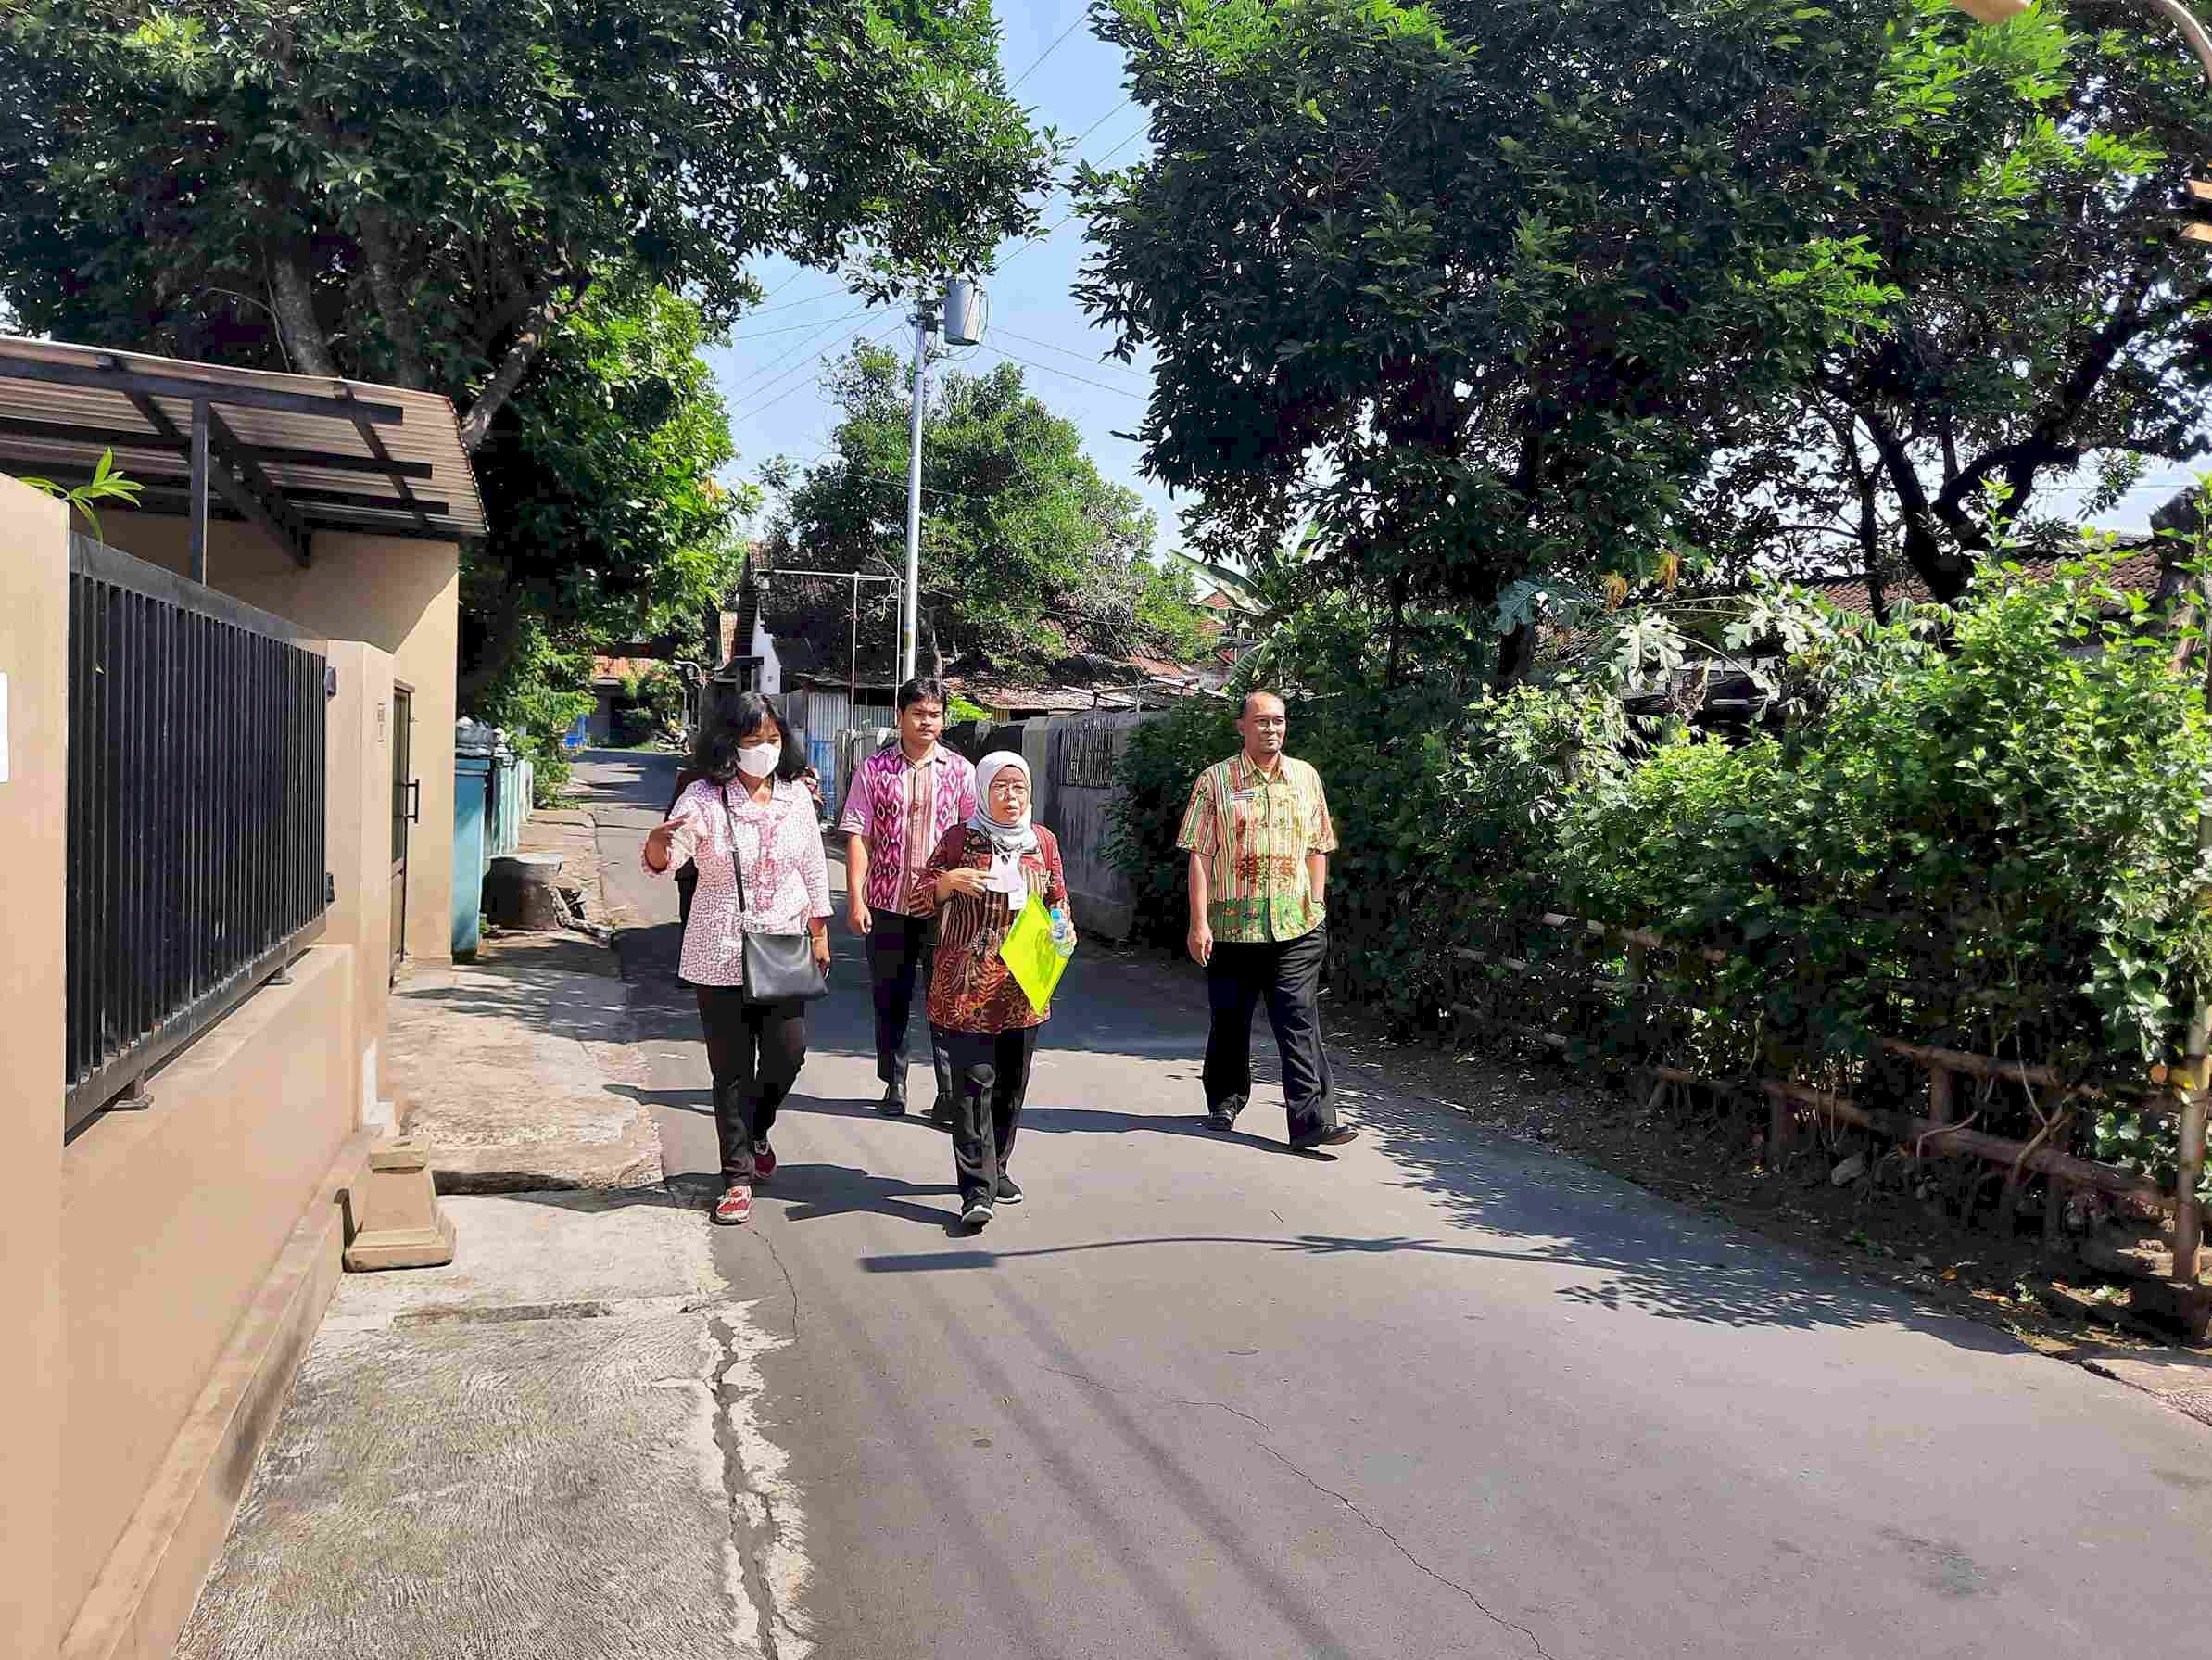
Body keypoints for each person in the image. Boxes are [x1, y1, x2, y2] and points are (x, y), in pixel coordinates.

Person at [642, 692, 831, 1225]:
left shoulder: (796, 797)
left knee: (787, 1054)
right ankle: (737, 1177)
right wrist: (659, 845)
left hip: (784, 943)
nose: (764, 751)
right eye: (752, 742)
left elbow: (814, 866)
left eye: (772, 741)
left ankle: (758, 1127)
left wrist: (821, 930)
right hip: (718, 944)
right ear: (729, 744)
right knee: (728, 1069)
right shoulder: (702, 797)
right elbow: (669, 856)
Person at [1178, 690, 1358, 1155]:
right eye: (1260, 721)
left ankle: (1313, 1122)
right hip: (1232, 927)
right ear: (1241, 726)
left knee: (1298, 1018)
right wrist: (1199, 923)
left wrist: (1315, 905)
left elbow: (1318, 845)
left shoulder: (1305, 777)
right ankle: (1225, 1098)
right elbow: (1199, 855)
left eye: (1278, 721)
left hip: (1296, 927)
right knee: (1231, 1019)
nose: (1270, 729)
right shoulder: (1214, 781)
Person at [915, 752, 1069, 1228]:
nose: (1010, 797)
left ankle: (997, 1166)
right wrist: (946, 883)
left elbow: (1057, 898)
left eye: (1018, 787)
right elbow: (919, 898)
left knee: (1009, 1087)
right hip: (966, 986)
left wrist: (1064, 927)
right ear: (983, 791)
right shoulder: (960, 839)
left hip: (1024, 987)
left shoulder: (1041, 841)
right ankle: (975, 1190)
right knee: (972, 1086)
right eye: (1000, 787)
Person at [836, 678, 977, 1120]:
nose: (927, 722)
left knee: (946, 1000)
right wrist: (855, 899)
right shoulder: (874, 770)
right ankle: (893, 1085)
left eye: (935, 714)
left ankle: (947, 1093)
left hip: (946, 911)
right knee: (890, 999)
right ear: (900, 717)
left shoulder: (961, 772)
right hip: (887, 904)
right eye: (918, 713)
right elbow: (858, 836)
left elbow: (973, 840)